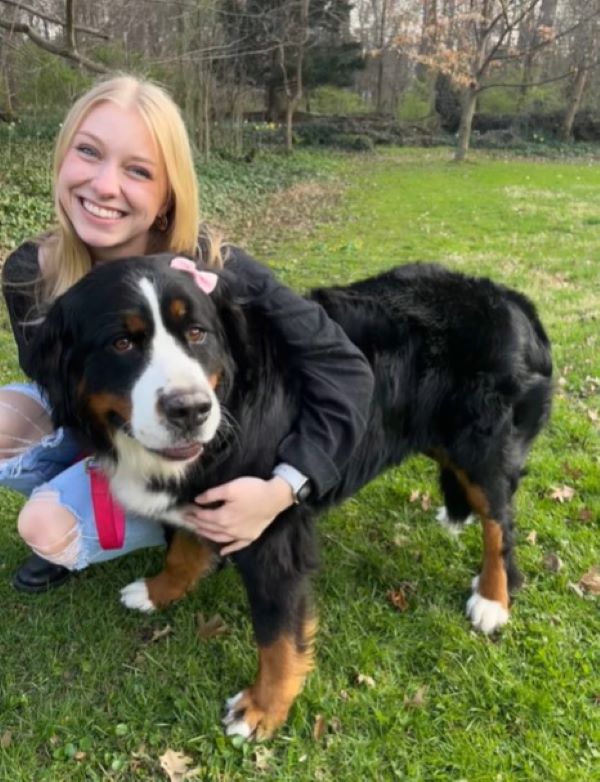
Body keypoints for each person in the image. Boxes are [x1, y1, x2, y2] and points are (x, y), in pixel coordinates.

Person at [1, 74, 374, 592]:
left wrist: (283, 488)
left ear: (168, 192)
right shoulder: (28, 271)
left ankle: (112, 523)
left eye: (137, 170)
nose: (105, 185)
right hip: (112, 434)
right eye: (88, 151)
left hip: (199, 451)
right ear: (62, 159)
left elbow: (345, 368)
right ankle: (92, 507)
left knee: (49, 524)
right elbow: (52, 381)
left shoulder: (219, 270)